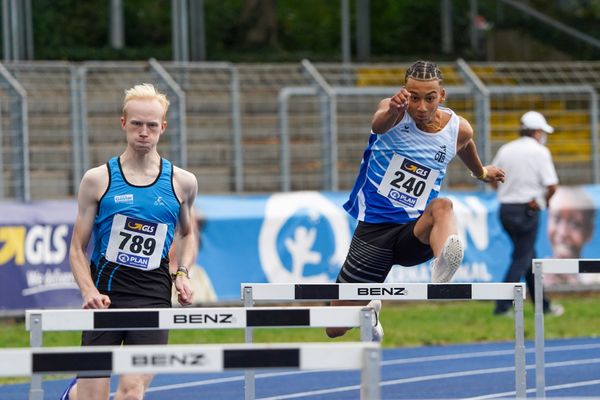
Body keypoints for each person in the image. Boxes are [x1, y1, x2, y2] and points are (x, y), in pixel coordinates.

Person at [326, 60, 505, 341]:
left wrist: (481, 172)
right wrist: (395, 109)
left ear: (441, 96)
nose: (421, 107)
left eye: (430, 98)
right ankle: (369, 312)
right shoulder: (394, 112)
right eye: (414, 97)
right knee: (333, 328)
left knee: (442, 206)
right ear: (404, 92)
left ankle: (444, 263)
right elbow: (378, 124)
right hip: (375, 230)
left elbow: (466, 145)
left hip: (415, 231)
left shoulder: (458, 128)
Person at [61, 83, 198, 400]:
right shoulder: (98, 179)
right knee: (93, 396)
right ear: (123, 123)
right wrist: (88, 291)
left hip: (152, 297)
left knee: (131, 392)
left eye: (152, 125)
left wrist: (182, 274)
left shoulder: (182, 182)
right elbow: (76, 248)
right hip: (105, 297)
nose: (144, 133)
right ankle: (77, 392)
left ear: (163, 127)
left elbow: (188, 233)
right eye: (137, 124)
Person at [490, 110, 563, 316]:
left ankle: (543, 305)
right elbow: (552, 185)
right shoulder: (540, 152)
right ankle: (502, 305)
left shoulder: (506, 149)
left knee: (529, 257)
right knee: (521, 258)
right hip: (527, 210)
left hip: (505, 209)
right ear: (537, 132)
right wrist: (543, 202)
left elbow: (492, 178)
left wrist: (504, 192)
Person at [545, 186, 596, 286]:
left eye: (575, 224)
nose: (563, 233)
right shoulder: (536, 274)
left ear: (589, 231)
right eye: (557, 219)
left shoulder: (595, 279)